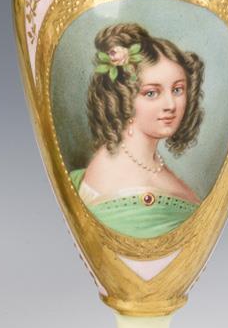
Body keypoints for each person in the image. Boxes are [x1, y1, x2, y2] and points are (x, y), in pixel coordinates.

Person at [71, 22, 204, 239]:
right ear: (123, 99)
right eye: (152, 93)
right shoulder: (119, 175)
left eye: (178, 89)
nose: (170, 104)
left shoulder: (144, 161)